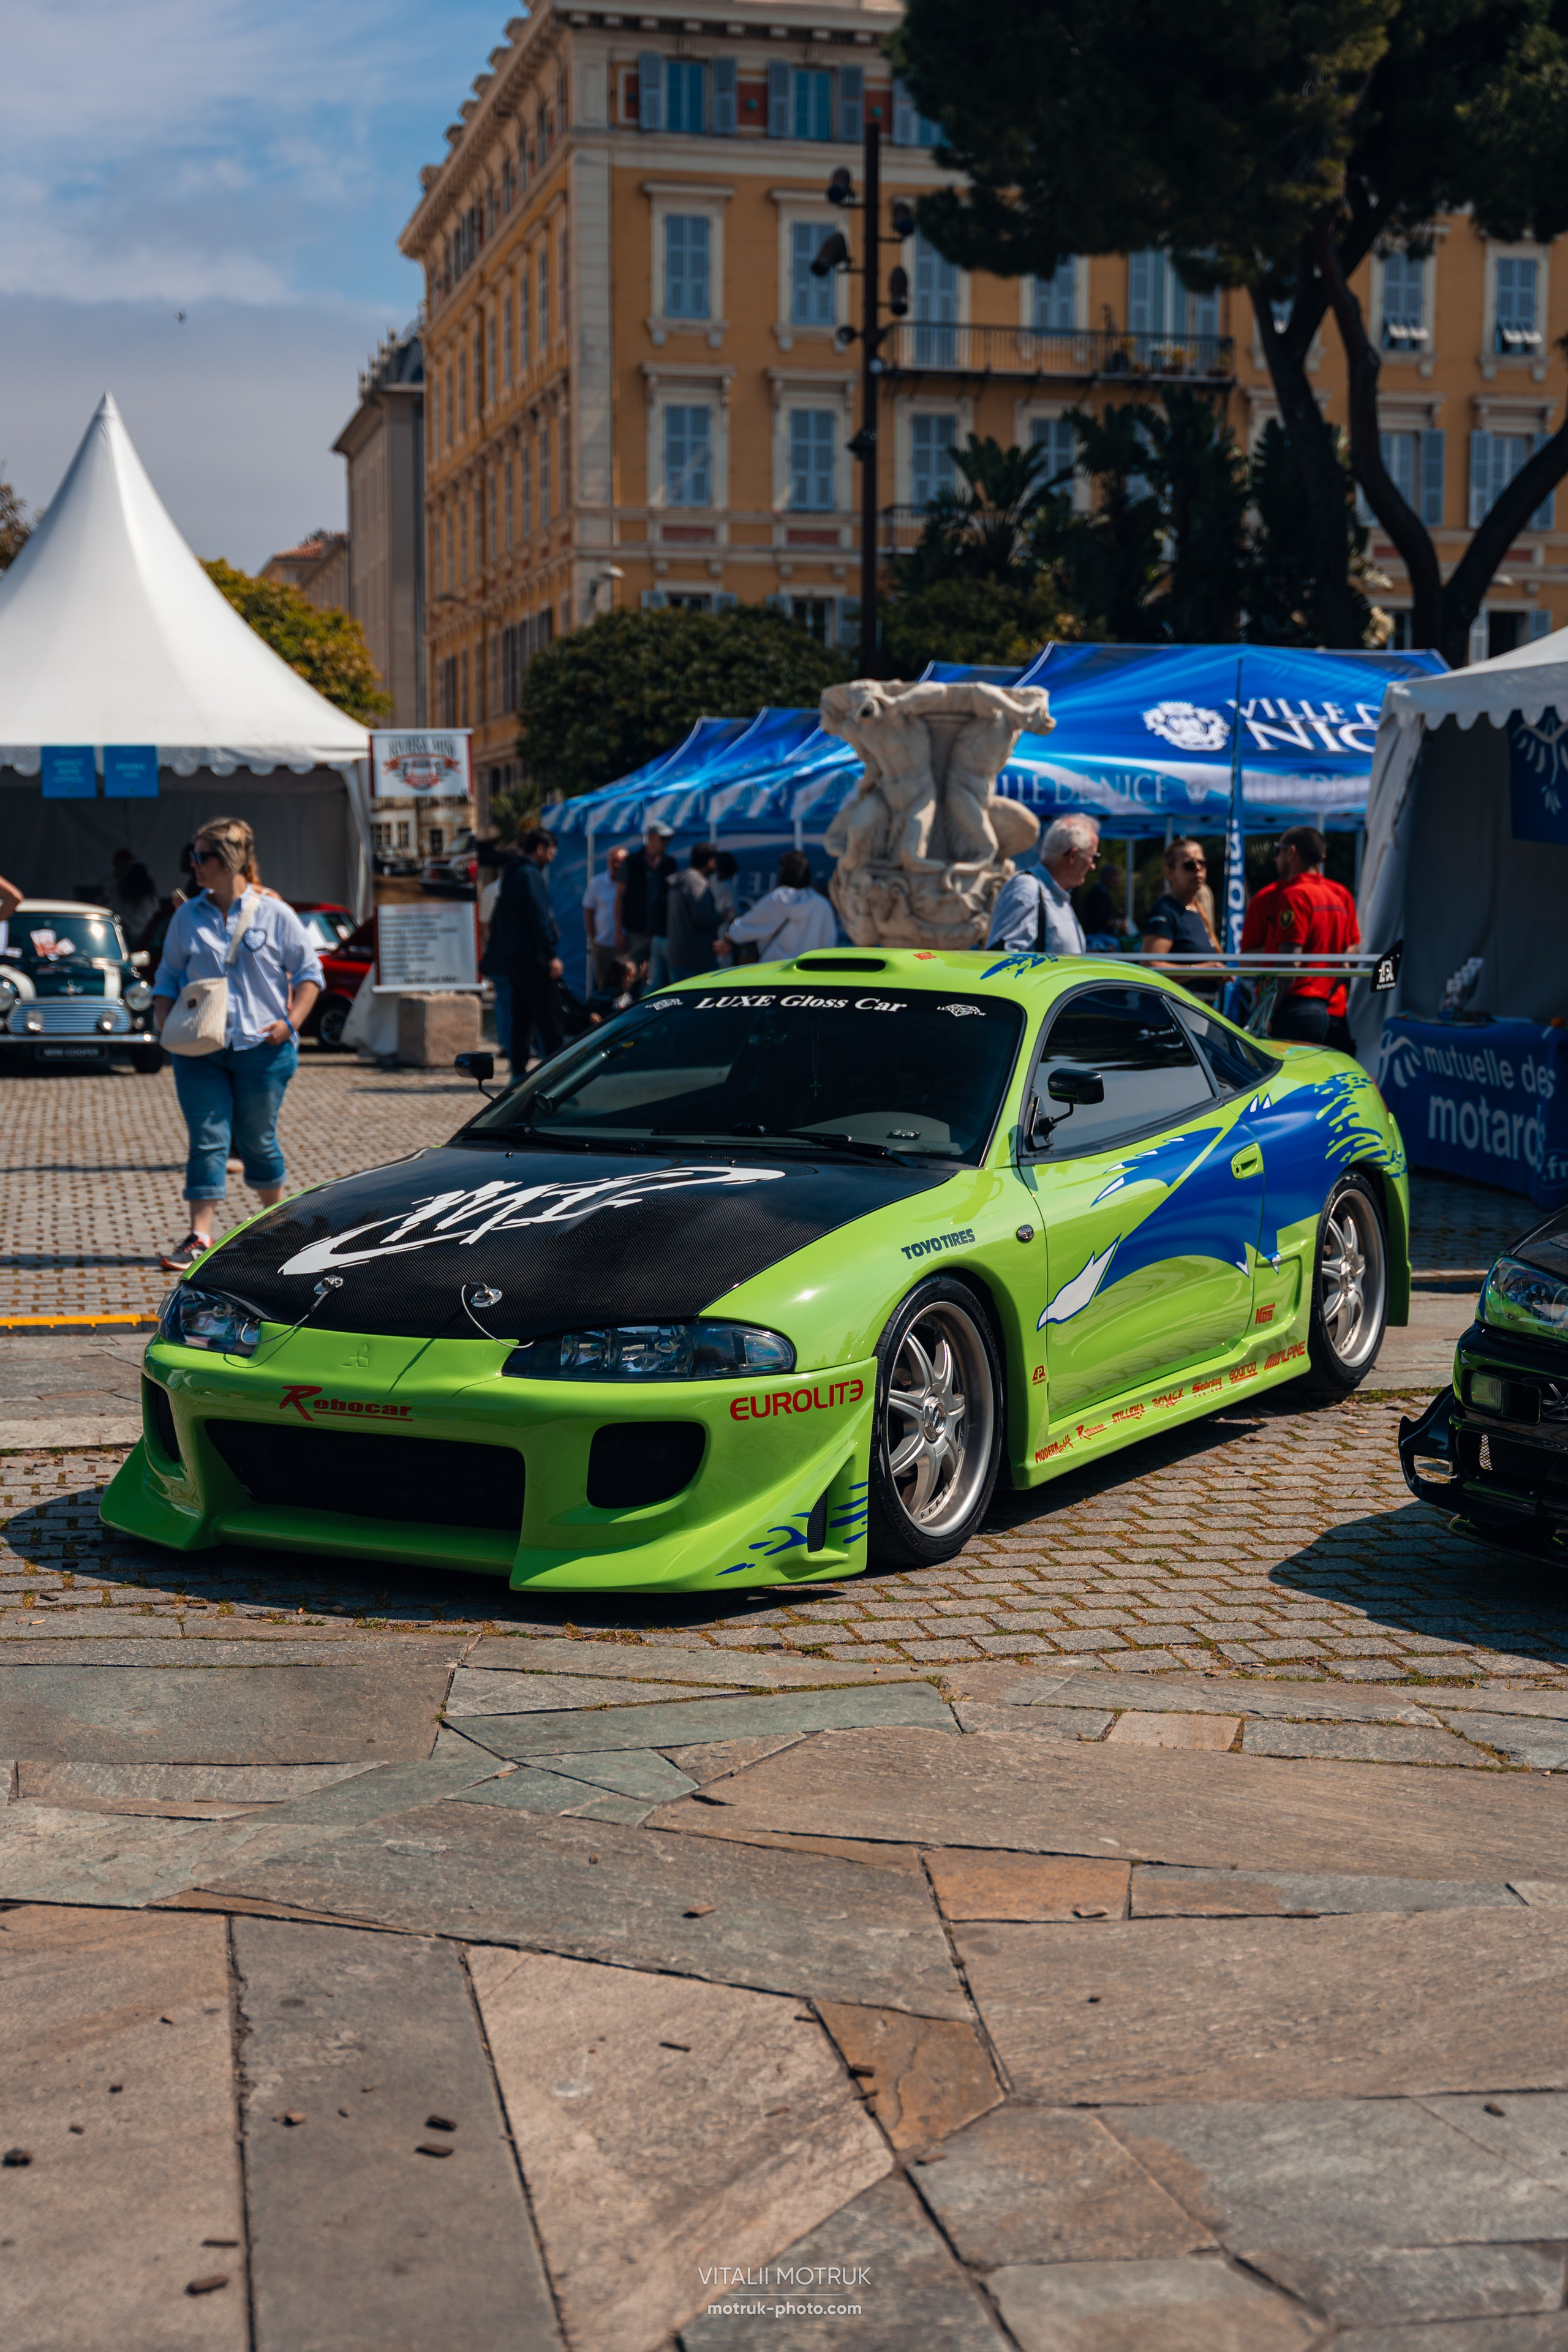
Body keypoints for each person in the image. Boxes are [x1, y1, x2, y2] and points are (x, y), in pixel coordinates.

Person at [151, 816, 322, 1273]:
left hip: (264, 1047)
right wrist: (163, 1017)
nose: (194, 866)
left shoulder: (275, 914)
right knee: (207, 1139)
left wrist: (291, 1022)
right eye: (194, 856)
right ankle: (199, 1235)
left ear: (231, 861)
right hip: (199, 1048)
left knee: (257, 1140)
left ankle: (276, 1226)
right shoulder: (187, 915)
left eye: (202, 857)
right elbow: (168, 975)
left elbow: (310, 975)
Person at [1240, 824, 1361, 1047]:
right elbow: (1351, 953)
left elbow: (1289, 962)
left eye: (1278, 850)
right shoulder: (1337, 896)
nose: (1275, 859)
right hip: (1326, 1007)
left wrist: (1268, 1012)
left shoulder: (1294, 895)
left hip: (1293, 1006)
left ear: (1291, 852)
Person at [481, 827, 563, 1069]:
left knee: (522, 1017)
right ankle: (558, 1073)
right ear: (540, 849)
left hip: (513, 956)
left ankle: (518, 1070)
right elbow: (539, 917)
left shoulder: (511, 875)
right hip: (533, 957)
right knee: (550, 1019)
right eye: (551, 853)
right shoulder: (530, 875)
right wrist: (551, 956)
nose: (552, 858)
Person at [986, 815, 1101, 954]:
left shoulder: (1056, 894)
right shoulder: (1028, 888)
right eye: (1093, 857)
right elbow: (1001, 961)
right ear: (1073, 856)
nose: (1093, 867)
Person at [726, 849, 837, 962]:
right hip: (809, 974)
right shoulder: (822, 905)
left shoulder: (772, 902)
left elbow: (740, 932)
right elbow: (829, 944)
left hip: (773, 973)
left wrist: (728, 935)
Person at [1143, 838, 1222, 974]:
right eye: (1189, 865)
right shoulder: (1165, 911)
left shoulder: (1197, 908)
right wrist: (1199, 971)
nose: (1198, 869)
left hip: (1204, 995)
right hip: (1177, 995)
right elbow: (1150, 965)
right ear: (1170, 873)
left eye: (1202, 863)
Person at [616, 821, 678, 990]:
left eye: (668, 839)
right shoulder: (631, 862)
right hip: (637, 931)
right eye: (663, 839)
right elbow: (619, 897)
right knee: (631, 976)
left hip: (662, 933)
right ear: (650, 838)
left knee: (660, 980)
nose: (666, 843)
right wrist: (619, 931)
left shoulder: (670, 864)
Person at [665, 844, 722, 982]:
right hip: (696, 960)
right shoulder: (696, 882)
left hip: (678, 956)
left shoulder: (683, 879)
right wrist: (722, 916)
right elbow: (703, 919)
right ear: (710, 861)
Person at [582, 844, 627, 992]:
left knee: (626, 987)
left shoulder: (631, 883)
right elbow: (588, 911)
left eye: (621, 861)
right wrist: (594, 937)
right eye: (614, 861)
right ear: (608, 862)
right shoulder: (597, 883)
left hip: (626, 945)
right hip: (604, 945)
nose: (617, 865)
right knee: (604, 985)